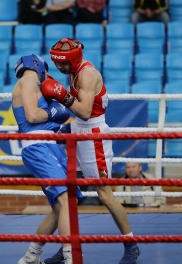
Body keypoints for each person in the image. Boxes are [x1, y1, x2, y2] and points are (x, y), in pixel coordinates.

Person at [40, 38, 141, 264]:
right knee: (66, 194)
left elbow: (85, 111)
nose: (61, 67)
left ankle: (131, 245)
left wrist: (62, 94)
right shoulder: (73, 72)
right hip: (78, 130)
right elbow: (77, 112)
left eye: (64, 63)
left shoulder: (87, 74)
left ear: (74, 58)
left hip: (93, 134)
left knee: (104, 194)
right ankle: (68, 245)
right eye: (58, 63)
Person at [13, 54, 83, 264]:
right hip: (38, 147)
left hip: (49, 145)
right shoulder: (27, 80)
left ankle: (31, 257)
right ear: (38, 65)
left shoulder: (34, 83)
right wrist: (55, 110)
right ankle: (71, 257)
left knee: (64, 204)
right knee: (65, 200)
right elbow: (33, 116)